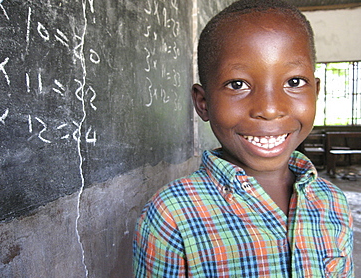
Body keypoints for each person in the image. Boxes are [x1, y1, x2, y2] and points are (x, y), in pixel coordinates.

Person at [133, 0, 354, 276]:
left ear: (316, 91)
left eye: (294, 82)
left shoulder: (333, 202)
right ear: (203, 103)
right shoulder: (171, 216)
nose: (270, 109)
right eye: (238, 84)